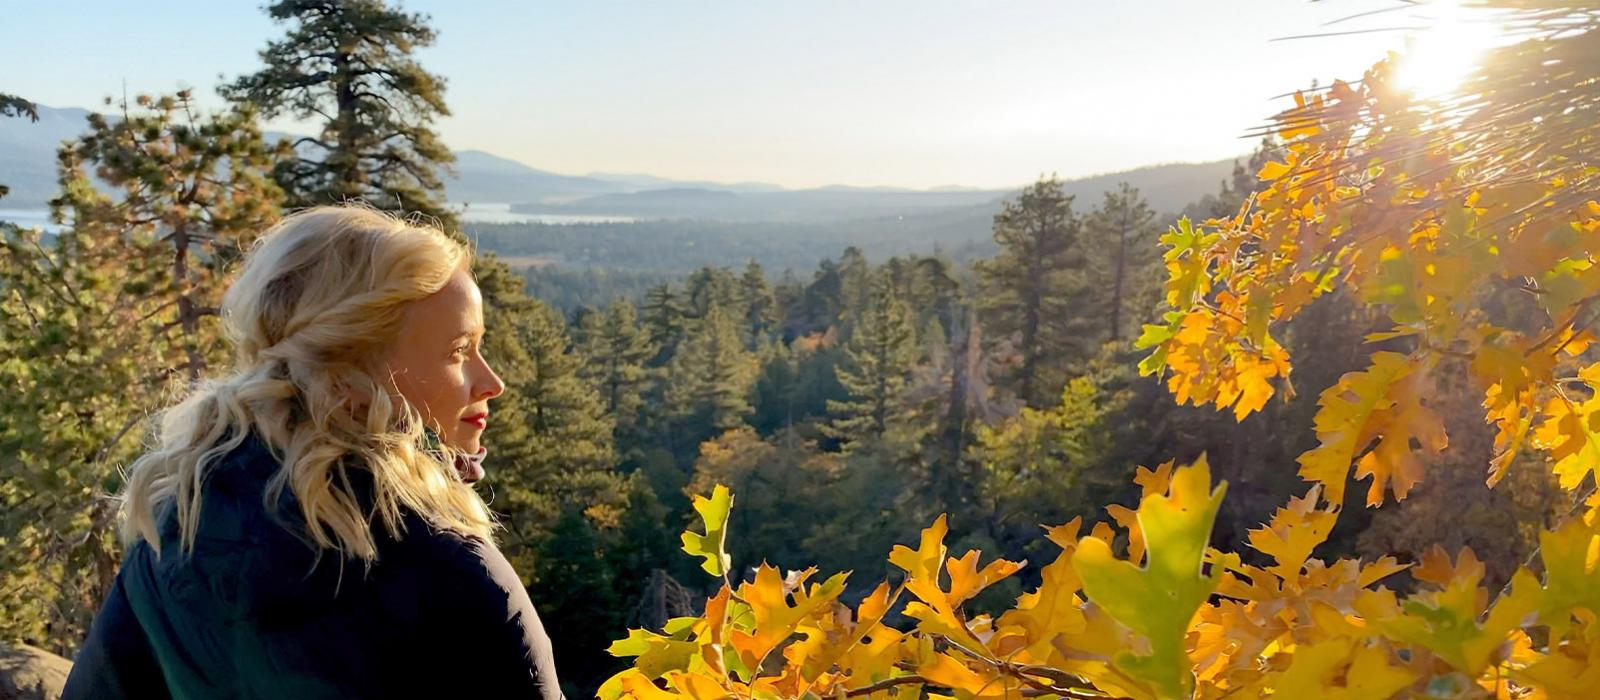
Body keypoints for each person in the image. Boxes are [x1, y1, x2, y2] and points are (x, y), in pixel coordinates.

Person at [60, 206, 563, 699]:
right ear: (351, 373)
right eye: (458, 351)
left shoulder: (173, 536)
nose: (491, 382)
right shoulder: (448, 571)